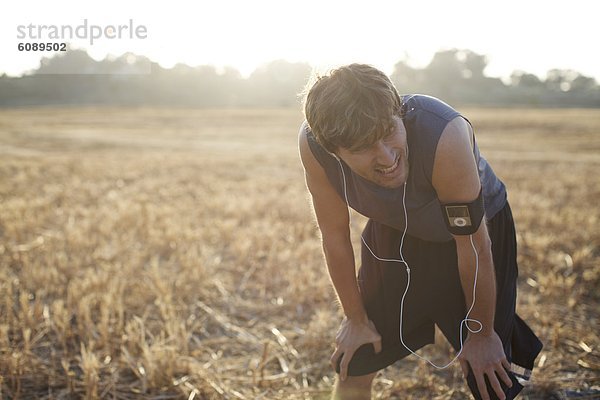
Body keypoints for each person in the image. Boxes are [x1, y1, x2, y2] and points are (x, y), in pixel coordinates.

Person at [297, 64, 542, 400]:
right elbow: (334, 236)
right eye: (362, 148)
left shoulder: (444, 133)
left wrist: (482, 335)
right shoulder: (314, 148)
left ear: (398, 112)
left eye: (388, 132)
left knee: (490, 375)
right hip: (395, 229)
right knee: (356, 359)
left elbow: (472, 244)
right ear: (333, 151)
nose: (385, 157)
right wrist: (355, 318)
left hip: (477, 234)